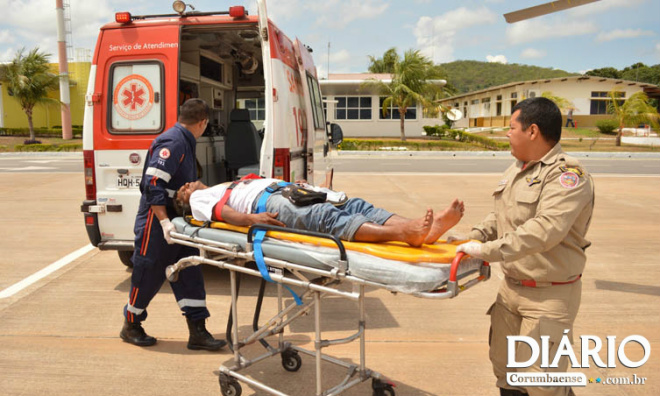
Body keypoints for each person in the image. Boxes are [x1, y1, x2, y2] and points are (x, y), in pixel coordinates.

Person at [455, 97, 594, 396]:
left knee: (541, 384)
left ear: (532, 131)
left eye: (511, 127)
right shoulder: (517, 169)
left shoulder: (568, 175)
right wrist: (476, 236)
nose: (507, 134)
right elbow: (502, 216)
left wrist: (485, 252)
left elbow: (544, 231)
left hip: (549, 294)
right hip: (511, 291)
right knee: (505, 373)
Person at [120, 98, 226, 351]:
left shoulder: (184, 142)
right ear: (202, 123)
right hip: (156, 222)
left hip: (178, 220)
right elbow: (152, 185)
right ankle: (131, 324)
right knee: (148, 273)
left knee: (189, 270)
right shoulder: (174, 142)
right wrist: (165, 223)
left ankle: (198, 331)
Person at [175, 178, 465, 247]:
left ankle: (423, 229)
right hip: (270, 205)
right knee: (329, 219)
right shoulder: (201, 198)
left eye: (187, 185)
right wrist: (253, 220)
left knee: (355, 206)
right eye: (183, 191)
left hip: (286, 190)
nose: (187, 186)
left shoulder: (226, 182)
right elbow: (223, 213)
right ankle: (403, 232)